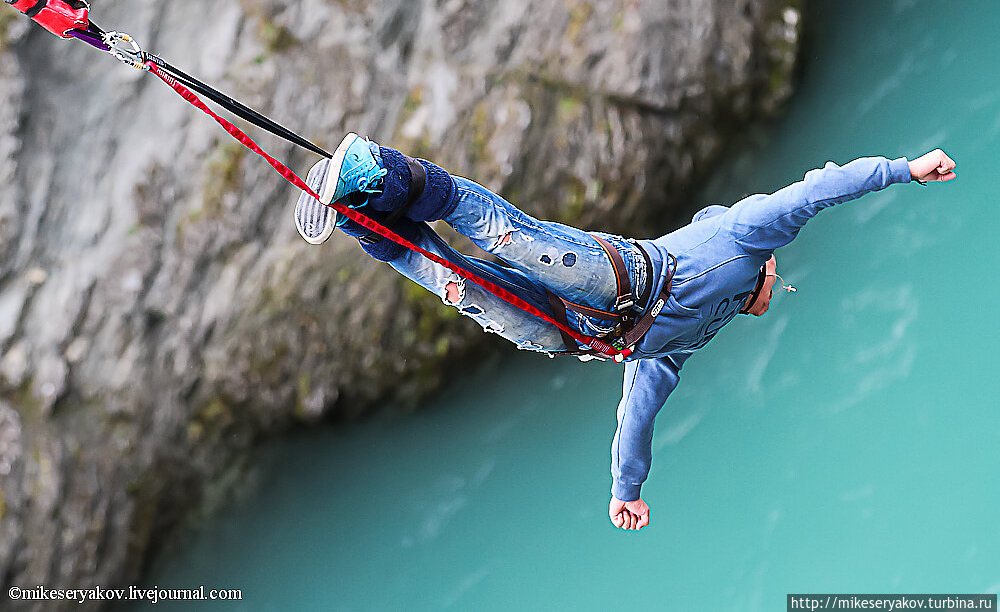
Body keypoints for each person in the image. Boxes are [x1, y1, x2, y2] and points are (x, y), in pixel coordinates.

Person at [294, 133, 958, 532]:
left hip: (574, 334)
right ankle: (380, 169)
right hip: (618, 280)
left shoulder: (683, 344)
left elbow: (636, 414)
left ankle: (356, 215)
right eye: (777, 281)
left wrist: (625, 488)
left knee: (457, 282)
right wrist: (904, 168)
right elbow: (816, 190)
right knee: (506, 234)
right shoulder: (743, 236)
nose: (776, 289)